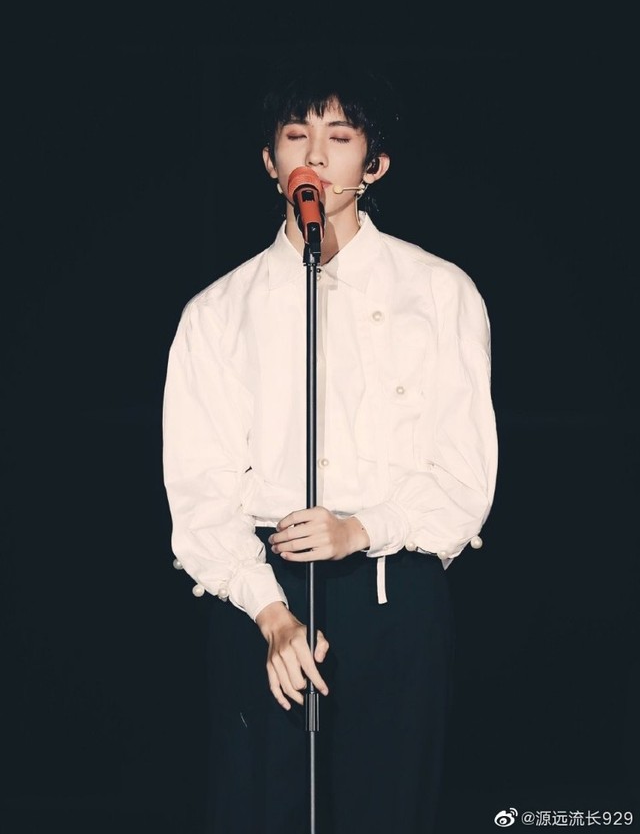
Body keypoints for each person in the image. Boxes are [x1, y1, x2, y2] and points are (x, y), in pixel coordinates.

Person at [162, 53, 498, 834]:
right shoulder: (218, 311)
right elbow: (201, 490)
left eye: (339, 136)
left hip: (392, 594)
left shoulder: (438, 291)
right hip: (262, 599)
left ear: (374, 165)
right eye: (295, 134)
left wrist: (360, 527)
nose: (314, 153)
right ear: (269, 160)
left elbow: (463, 477)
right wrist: (270, 613)